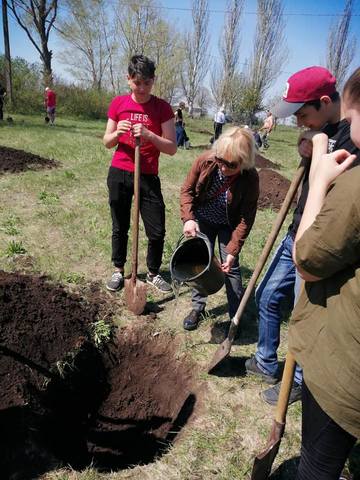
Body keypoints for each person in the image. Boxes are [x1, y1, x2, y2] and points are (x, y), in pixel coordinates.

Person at [245, 66, 360, 405]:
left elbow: (339, 200)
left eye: (302, 114)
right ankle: (266, 361)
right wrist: (307, 147)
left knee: (302, 315)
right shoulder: (321, 129)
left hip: (320, 242)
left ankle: (297, 379)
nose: (297, 122)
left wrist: (321, 150)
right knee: (266, 296)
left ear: (325, 102)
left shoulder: (353, 140)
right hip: (296, 231)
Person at [289, 67, 360, 480]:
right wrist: (311, 146)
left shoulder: (353, 185)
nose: (349, 129)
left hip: (345, 369)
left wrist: (318, 182)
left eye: (352, 119)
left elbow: (308, 260)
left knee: (317, 466)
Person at [103, 54, 176, 294]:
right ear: (128, 80)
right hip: (120, 172)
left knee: (156, 229)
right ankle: (118, 270)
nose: (142, 88)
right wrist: (117, 134)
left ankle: (153, 273)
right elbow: (107, 141)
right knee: (120, 225)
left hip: (147, 176)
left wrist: (149, 136)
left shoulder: (162, 108)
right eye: (137, 82)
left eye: (147, 83)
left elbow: (172, 148)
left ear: (153, 81)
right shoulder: (118, 104)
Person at [180, 127, 259, 330]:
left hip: (229, 225)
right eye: (221, 160)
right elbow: (187, 191)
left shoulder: (250, 178)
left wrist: (232, 249)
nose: (223, 168)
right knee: (200, 262)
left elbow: (246, 218)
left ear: (244, 162)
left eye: (230, 165)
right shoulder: (205, 161)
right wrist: (189, 219)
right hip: (203, 220)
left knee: (230, 269)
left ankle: (235, 318)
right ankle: (197, 308)